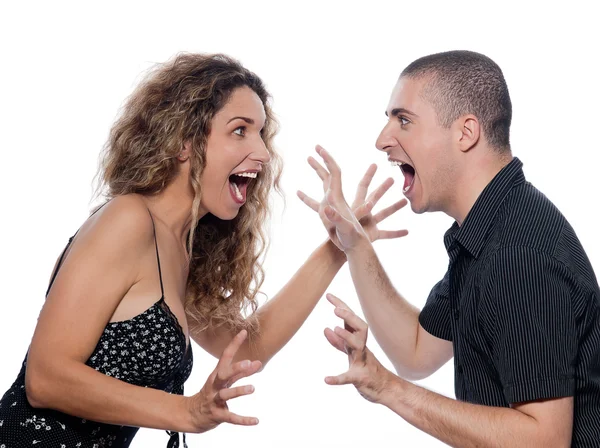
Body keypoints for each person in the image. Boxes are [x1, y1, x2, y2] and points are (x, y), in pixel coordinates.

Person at [0, 53, 407, 448]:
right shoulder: (128, 220)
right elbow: (45, 378)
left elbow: (249, 348)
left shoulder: (177, 248)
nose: (264, 153)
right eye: (240, 130)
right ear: (184, 141)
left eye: (262, 134)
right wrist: (186, 412)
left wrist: (339, 247)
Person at [299, 50, 600, 447]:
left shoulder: (518, 253)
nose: (382, 140)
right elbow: (417, 351)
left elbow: (543, 440)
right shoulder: (484, 232)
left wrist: (387, 388)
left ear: (465, 133)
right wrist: (355, 245)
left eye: (403, 120)